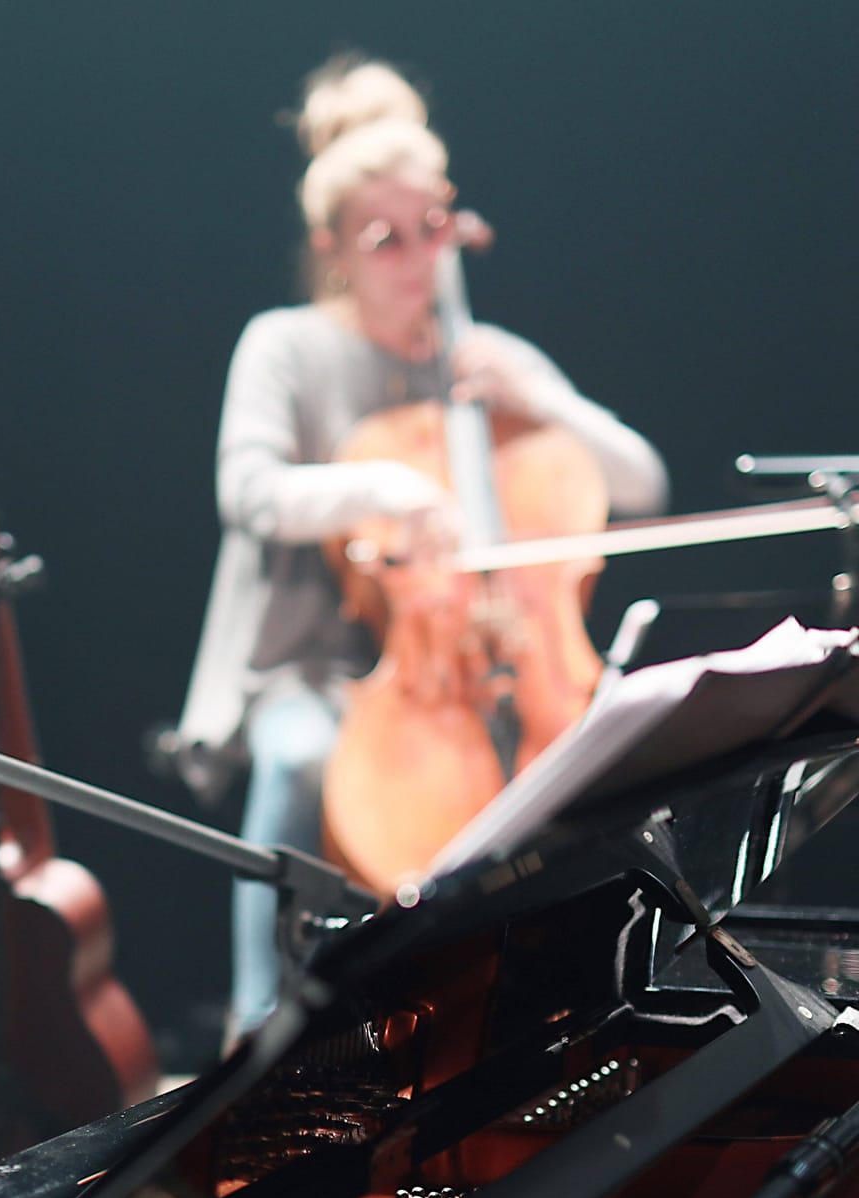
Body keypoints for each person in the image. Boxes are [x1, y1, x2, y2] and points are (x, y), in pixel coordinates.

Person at [175, 58, 669, 1042]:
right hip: (309, 665)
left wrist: (547, 404)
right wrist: (388, 487)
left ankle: (582, 1017)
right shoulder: (287, 346)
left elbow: (641, 484)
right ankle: (253, 1024)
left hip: (494, 664)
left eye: (430, 228)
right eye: (383, 237)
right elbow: (250, 490)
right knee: (303, 754)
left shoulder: (488, 362)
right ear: (333, 251)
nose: (415, 257)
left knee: (614, 771)